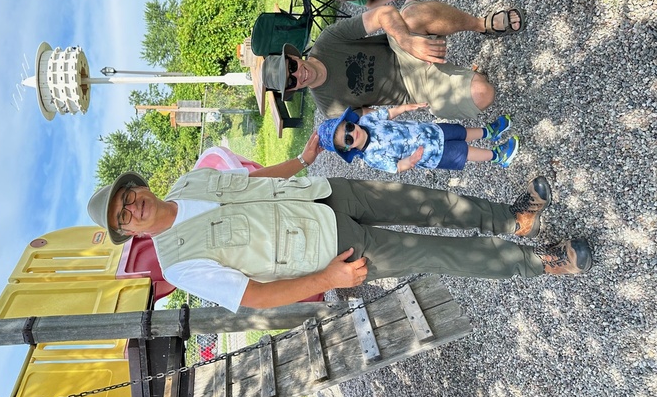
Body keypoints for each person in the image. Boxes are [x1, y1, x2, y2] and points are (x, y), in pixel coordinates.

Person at [86, 134, 593, 312]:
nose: (132, 207)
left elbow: (253, 179)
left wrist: (303, 162)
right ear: (127, 232)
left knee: (428, 202)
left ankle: (514, 219)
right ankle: (540, 262)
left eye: (127, 196)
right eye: (123, 216)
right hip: (332, 252)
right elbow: (254, 296)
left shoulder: (185, 183)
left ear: (139, 186)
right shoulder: (178, 266)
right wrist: (327, 279)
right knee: (436, 252)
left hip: (326, 192)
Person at [260, 1, 526, 119]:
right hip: (413, 89)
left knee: (408, 15)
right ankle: (469, 78)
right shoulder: (328, 107)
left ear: (294, 56)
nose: (298, 74)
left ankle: (482, 24)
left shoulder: (328, 41)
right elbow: (371, 118)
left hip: (402, 51)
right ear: (293, 90)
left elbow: (383, 13)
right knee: (483, 93)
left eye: (291, 66)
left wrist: (409, 41)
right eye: (291, 81)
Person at [318, 106, 519, 173]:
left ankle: (488, 132)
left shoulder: (367, 120)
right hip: (431, 155)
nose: (353, 133)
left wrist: (405, 108)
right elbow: (395, 167)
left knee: (460, 131)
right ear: (347, 149)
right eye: (348, 139)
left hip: (430, 131)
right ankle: (496, 156)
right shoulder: (371, 157)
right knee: (463, 152)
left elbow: (387, 113)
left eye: (349, 128)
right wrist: (410, 161)